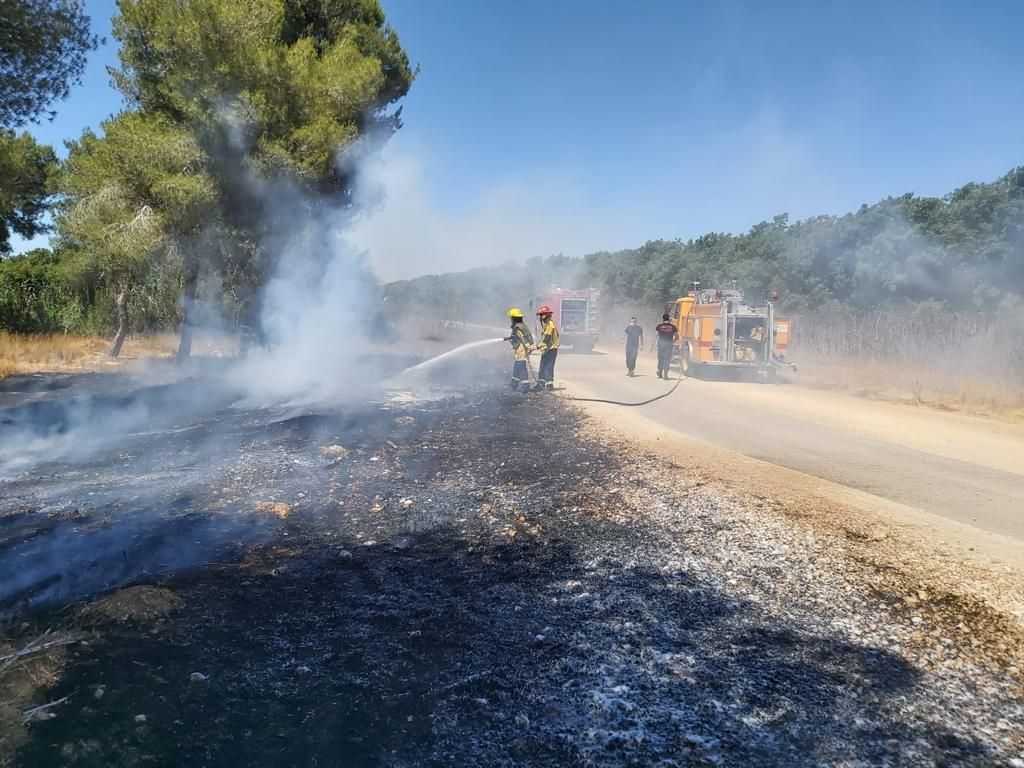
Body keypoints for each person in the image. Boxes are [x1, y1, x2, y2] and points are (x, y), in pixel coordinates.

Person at [505, 307, 534, 391]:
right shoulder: (520, 326)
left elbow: (523, 338)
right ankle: (514, 383)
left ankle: (525, 386)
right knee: (517, 367)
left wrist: (529, 347)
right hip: (520, 350)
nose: (511, 320)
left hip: (522, 350)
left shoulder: (518, 328)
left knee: (521, 367)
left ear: (514, 319)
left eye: (511, 318)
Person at [533, 305, 559, 391]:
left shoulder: (550, 325)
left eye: (541, 315)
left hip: (551, 349)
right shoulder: (547, 324)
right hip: (547, 349)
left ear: (545, 315)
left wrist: (537, 346)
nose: (540, 317)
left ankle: (549, 385)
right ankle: (540, 384)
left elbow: (546, 338)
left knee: (548, 367)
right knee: (543, 366)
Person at [653, 313, 678, 379]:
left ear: (663, 319)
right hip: (669, 345)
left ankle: (660, 373)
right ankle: (665, 375)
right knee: (667, 359)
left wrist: (653, 344)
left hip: (661, 344)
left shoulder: (659, 326)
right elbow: (677, 336)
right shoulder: (673, 327)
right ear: (669, 319)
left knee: (661, 359)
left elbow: (656, 336)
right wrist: (673, 342)